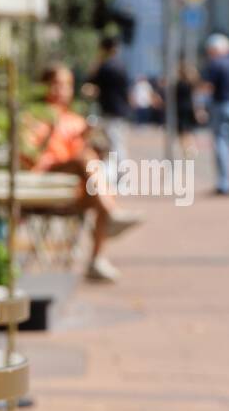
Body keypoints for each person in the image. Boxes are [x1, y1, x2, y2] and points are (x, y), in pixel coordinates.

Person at [23, 64, 142, 283]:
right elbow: (30, 156)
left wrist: (92, 143)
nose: (62, 90)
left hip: (72, 188)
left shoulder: (75, 119)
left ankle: (96, 258)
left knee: (95, 170)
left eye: (67, 85)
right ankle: (111, 214)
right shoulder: (35, 116)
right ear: (45, 86)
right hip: (44, 180)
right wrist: (51, 132)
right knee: (86, 162)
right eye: (56, 84)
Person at [199, 33, 229, 196]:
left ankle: (224, 183)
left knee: (222, 143)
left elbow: (207, 87)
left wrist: (201, 106)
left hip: (221, 105)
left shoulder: (215, 64)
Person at [83, 35, 132, 166]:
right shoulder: (121, 66)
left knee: (113, 145)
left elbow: (91, 83)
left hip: (109, 110)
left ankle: (120, 179)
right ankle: (120, 178)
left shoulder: (105, 66)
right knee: (116, 144)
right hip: (120, 110)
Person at [175, 63, 200, 158]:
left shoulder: (179, 84)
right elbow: (195, 98)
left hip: (180, 110)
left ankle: (186, 149)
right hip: (189, 109)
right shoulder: (191, 83)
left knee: (182, 131)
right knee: (189, 130)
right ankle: (191, 147)